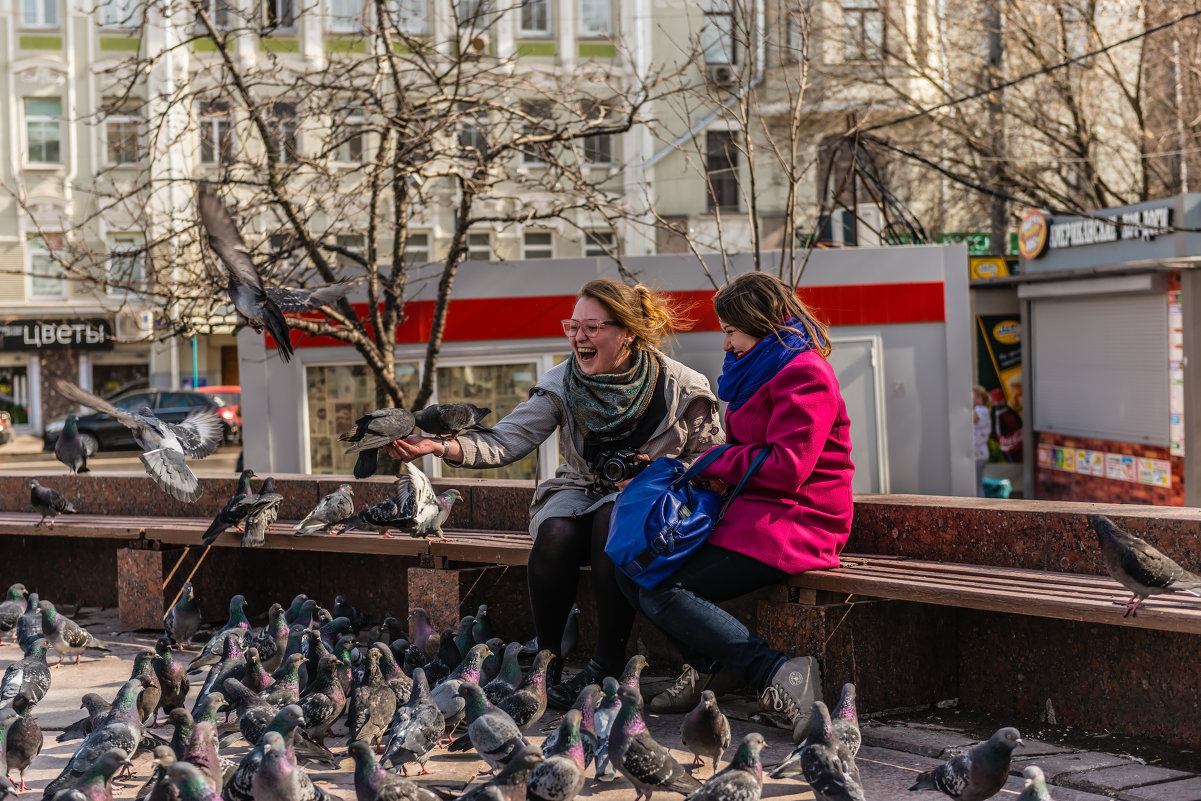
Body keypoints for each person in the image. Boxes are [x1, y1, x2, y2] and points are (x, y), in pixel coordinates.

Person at [386, 279, 724, 709]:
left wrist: (659, 472)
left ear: (628, 333)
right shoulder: (562, 381)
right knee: (554, 535)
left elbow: (714, 460)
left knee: (611, 524)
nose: (578, 337)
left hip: (651, 499)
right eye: (572, 326)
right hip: (579, 486)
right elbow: (508, 439)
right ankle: (548, 661)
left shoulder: (682, 386)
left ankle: (607, 661)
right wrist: (439, 446)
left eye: (592, 328)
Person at [617, 271, 854, 741]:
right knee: (631, 565)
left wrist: (716, 459)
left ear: (758, 323)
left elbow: (790, 467)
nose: (725, 343)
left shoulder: (805, 373)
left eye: (730, 329)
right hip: (754, 510)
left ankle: (780, 674)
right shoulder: (765, 366)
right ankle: (711, 667)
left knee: (662, 588)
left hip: (800, 518)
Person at [973, 385, 991, 497]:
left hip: (979, 454)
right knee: (977, 483)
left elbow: (972, 417)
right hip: (980, 453)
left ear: (980, 399)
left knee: (977, 484)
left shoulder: (981, 410)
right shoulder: (981, 409)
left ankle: (979, 508)